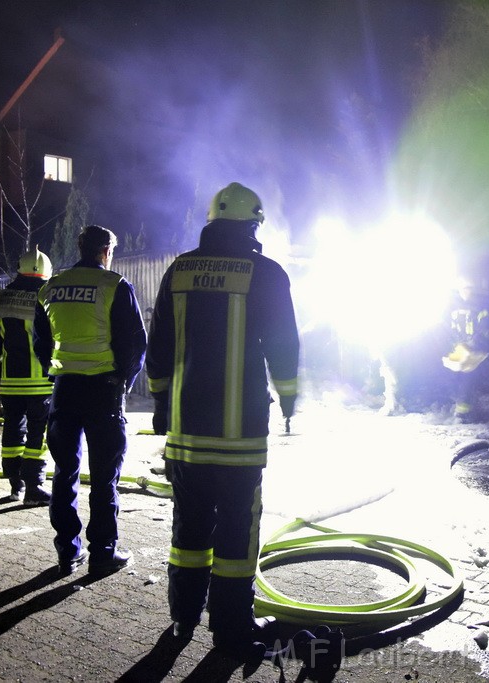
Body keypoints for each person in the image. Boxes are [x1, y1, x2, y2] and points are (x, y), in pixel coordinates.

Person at [146, 182, 299, 659]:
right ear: (252, 225)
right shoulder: (266, 273)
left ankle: (182, 615)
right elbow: (284, 346)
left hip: (187, 433)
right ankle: (231, 628)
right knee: (236, 530)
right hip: (241, 434)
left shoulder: (180, 269)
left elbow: (160, 347)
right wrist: (289, 399)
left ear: (211, 222)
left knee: (189, 529)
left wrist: (159, 404)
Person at [34, 225, 147, 576]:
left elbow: (41, 341)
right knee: (103, 476)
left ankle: (68, 551)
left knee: (64, 472)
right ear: (107, 251)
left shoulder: (50, 286)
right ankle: (102, 552)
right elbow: (135, 342)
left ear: (80, 246)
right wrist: (124, 381)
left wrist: (56, 370)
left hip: (64, 390)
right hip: (103, 391)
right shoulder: (114, 285)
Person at [0, 247, 54, 505]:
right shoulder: (47, 296)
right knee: (38, 435)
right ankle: (35, 487)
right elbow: (52, 338)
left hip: (10, 381)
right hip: (42, 383)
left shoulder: (0, 299)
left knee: (13, 430)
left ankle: (16, 485)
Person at [442, 276, 489, 422]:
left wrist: (474, 343)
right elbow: (448, 327)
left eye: (468, 288)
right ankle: (459, 405)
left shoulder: (479, 307)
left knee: (467, 378)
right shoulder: (453, 307)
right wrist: (454, 343)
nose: (466, 292)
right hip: (458, 347)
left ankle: (463, 412)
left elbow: (485, 328)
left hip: (474, 349)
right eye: (463, 289)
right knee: (454, 376)